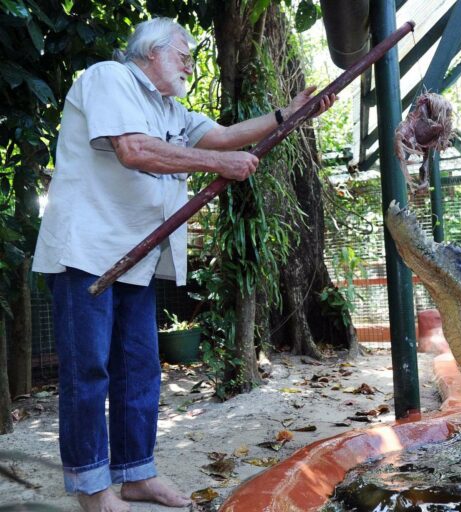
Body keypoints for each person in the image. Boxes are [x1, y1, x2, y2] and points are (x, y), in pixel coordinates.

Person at [31, 17, 334, 512]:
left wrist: (288, 114)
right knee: (89, 372)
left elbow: (225, 136)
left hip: (137, 256)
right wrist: (217, 166)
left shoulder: (169, 108)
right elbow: (133, 150)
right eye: (183, 55)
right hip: (86, 252)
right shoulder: (110, 77)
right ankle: (92, 487)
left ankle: (135, 475)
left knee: (140, 368)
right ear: (150, 53)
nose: (190, 65)